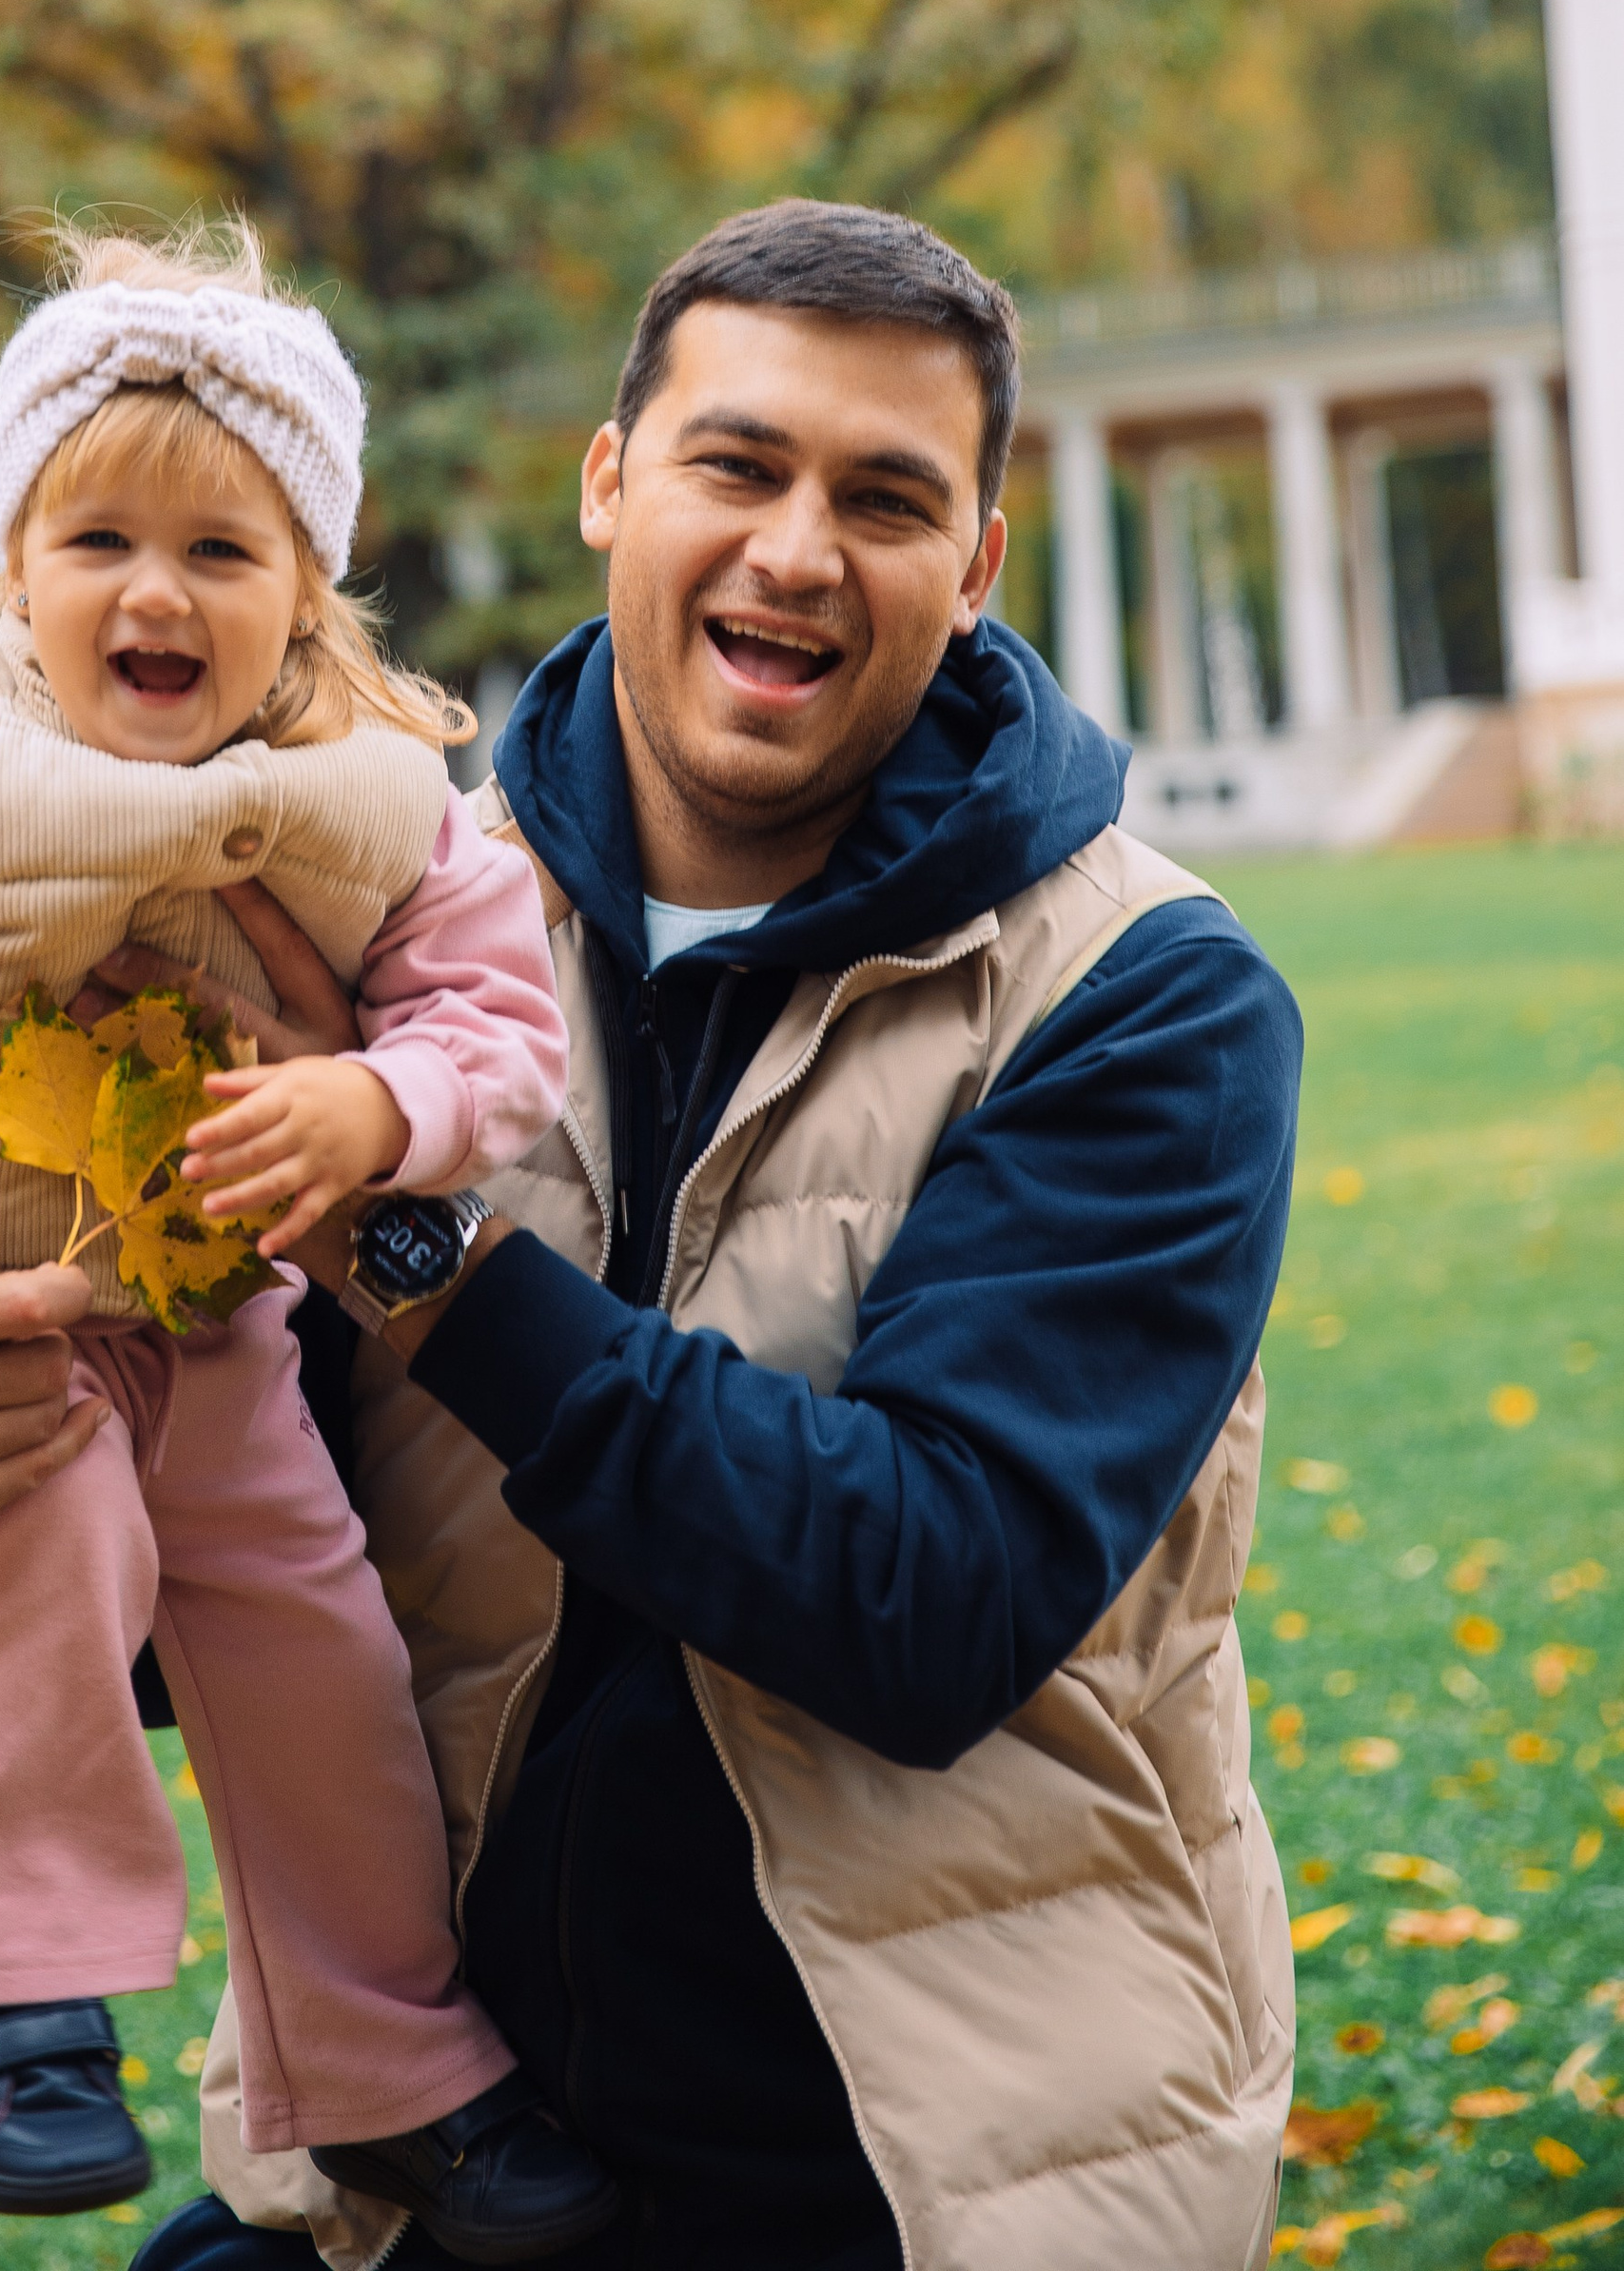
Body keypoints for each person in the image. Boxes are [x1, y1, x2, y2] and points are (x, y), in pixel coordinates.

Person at [106, 199, 1304, 2271]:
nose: (796, 551)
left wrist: (413, 1248)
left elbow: (923, 1598)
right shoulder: (360, 928)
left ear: (975, 566)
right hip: (431, 2146)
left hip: (917, 2175)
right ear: (609, 483)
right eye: (735, 465)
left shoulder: (1148, 999)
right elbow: (198, 1600)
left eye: (885, 500)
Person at [0, 222, 615, 2260]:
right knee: (52, 1535)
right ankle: (12, 1999)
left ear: (303, 586)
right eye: (97, 542)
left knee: (316, 1648)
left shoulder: (385, 801)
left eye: (219, 550)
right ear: (17, 564)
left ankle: (395, 2067)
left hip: (212, 1330)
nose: (153, 592)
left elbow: (496, 1028)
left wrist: (376, 1106)